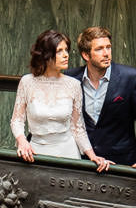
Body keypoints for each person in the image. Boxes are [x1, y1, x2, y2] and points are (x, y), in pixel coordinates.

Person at [12, 29, 110, 171]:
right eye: (59, 51)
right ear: (46, 55)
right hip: (35, 153)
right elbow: (17, 120)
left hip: (68, 153)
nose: (66, 55)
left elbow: (78, 128)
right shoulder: (27, 82)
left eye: (66, 50)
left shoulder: (74, 85)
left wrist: (92, 156)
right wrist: (22, 141)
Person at [72, 26, 136, 177]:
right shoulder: (71, 79)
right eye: (99, 49)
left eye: (108, 47)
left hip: (121, 164)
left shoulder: (130, 77)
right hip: (82, 162)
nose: (106, 53)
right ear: (86, 55)